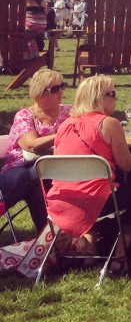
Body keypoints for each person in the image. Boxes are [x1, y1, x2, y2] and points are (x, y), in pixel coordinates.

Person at [48, 75, 131, 259]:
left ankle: (89, 251)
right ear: (97, 97)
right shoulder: (109, 124)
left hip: (61, 201)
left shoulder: (64, 125)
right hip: (98, 202)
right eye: (111, 93)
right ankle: (119, 257)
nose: (116, 98)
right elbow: (127, 165)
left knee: (96, 189)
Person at [1, 68, 72, 230]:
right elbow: (31, 145)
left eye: (62, 86)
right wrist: (62, 133)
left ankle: (48, 241)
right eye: (54, 89)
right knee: (35, 174)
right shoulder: (25, 116)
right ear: (39, 93)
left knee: (37, 180)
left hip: (59, 169)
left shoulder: (69, 112)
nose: (60, 91)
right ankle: (49, 240)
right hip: (21, 166)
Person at [4, 0, 50, 92]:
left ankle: (12, 57)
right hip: (42, 25)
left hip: (29, 24)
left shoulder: (27, 0)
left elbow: (18, 12)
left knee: (14, 33)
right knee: (25, 36)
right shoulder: (42, 2)